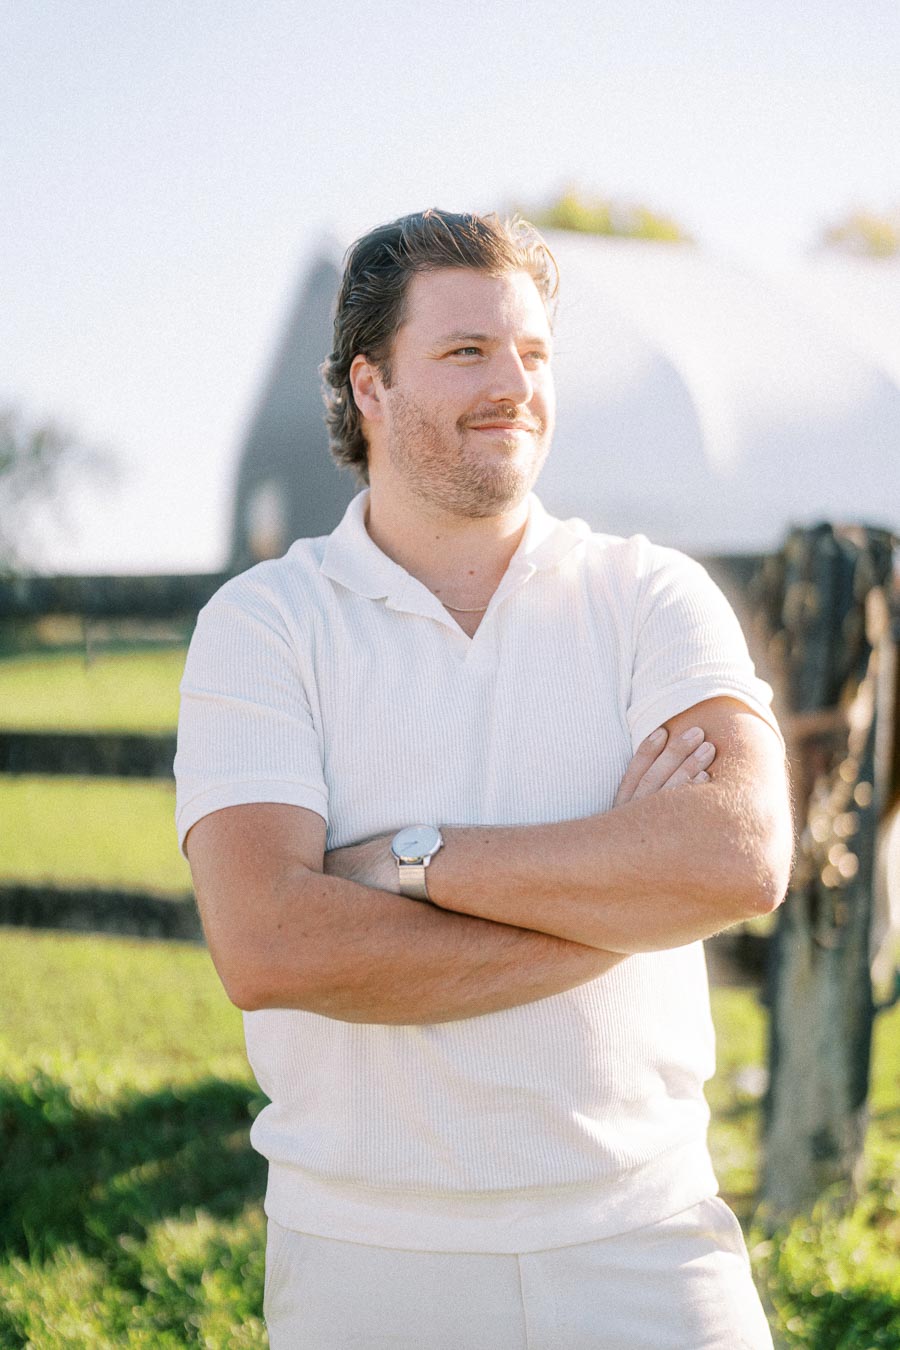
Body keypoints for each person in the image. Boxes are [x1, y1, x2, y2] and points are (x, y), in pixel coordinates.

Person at [175, 209, 793, 1348]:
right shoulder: (265, 625)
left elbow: (741, 857)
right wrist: (621, 904)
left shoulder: (649, 593)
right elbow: (267, 944)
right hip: (369, 1263)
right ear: (368, 385)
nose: (516, 383)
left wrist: (416, 862)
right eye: (467, 352)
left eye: (536, 353)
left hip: (647, 1241)